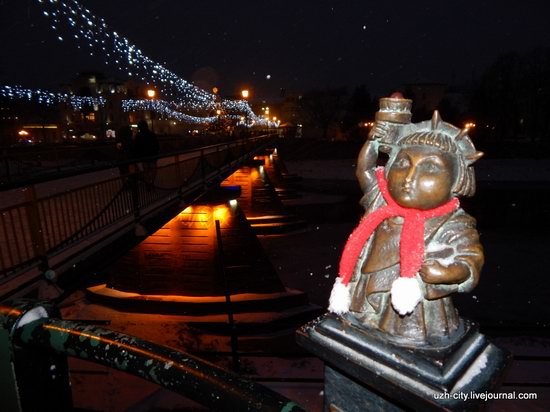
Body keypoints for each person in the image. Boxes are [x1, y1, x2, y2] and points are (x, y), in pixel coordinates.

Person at [328, 109, 484, 345]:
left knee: (403, 339)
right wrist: (373, 142)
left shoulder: (454, 223)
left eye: (430, 167)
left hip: (416, 313)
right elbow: (365, 170)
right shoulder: (381, 201)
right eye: (402, 163)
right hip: (365, 294)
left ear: (457, 180)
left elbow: (471, 260)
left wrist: (448, 273)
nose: (410, 176)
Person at [134, 120, 159, 185]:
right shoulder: (152, 134)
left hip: (143, 156)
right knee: (153, 170)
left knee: (146, 170)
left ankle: (148, 182)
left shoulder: (138, 136)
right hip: (152, 155)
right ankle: (152, 182)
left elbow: (136, 147)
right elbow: (156, 145)